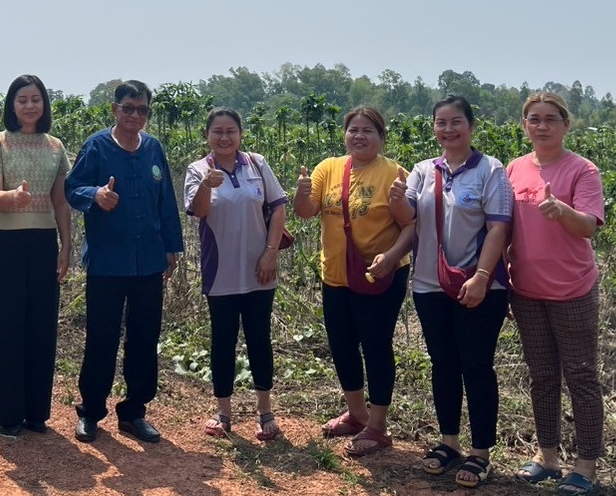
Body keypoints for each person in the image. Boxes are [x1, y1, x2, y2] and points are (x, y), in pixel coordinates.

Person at [391, 95, 513, 488]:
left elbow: (499, 228)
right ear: (434, 128)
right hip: (430, 284)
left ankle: (481, 453)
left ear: (471, 126)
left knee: (476, 366)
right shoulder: (424, 171)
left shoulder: (490, 170)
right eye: (441, 123)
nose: (448, 129)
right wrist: (396, 202)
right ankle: (448, 442)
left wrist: (481, 276)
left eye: (456, 122)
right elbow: (408, 220)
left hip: (480, 285)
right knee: (443, 364)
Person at [64, 80, 183, 444]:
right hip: (107, 262)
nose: (135, 115)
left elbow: (165, 201)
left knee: (144, 338)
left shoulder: (153, 148)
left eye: (142, 110)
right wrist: (96, 194)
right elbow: (72, 188)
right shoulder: (98, 146)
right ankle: (91, 412)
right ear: (115, 109)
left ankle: (134, 412)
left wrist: (171, 248)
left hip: (148, 260)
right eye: (128, 108)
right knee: (102, 337)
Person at [292, 106, 415, 457]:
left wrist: (390, 257)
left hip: (382, 272)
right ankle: (357, 414)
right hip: (336, 274)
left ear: (381, 137)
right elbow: (307, 211)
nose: (359, 136)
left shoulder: (393, 172)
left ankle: (378, 426)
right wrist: (302, 192)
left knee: (376, 346)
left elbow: (411, 225)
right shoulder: (327, 168)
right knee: (342, 344)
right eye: (353, 130)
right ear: (344, 134)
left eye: (368, 131)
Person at [505, 92, 607, 496]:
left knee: (581, 375)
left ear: (566, 125)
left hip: (572, 289)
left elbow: (589, 226)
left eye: (550, 119)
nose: (542, 125)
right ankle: (547, 457)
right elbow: (505, 228)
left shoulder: (582, 170)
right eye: (534, 119)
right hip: (526, 290)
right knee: (542, 375)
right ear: (525, 124)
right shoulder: (513, 169)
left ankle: (586, 465)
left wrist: (562, 211)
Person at [184, 108, 289, 441]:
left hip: (260, 268)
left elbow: (279, 207)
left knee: (259, 338)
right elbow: (198, 211)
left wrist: (270, 253)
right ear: (208, 136)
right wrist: (205, 185)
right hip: (221, 273)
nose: (224, 137)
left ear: (240, 134)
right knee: (223, 342)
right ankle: (224, 413)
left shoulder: (257, 164)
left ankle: (265, 411)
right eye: (217, 131)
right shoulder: (198, 170)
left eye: (230, 131)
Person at [0, 75, 73, 437]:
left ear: (44, 104)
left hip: (43, 241)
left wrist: (66, 246)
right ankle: (7, 416)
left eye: (36, 99)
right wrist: (12, 196)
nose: (30, 106)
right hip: (5, 243)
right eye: (22, 99)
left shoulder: (55, 147)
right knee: (7, 324)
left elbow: (60, 201)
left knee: (41, 324)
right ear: (12, 105)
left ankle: (37, 414)